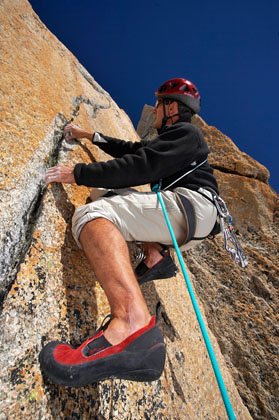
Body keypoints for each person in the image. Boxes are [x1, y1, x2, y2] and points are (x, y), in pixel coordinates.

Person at [39, 78, 219, 387]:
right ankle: (154, 255)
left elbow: (142, 164)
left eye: (159, 104)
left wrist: (77, 173)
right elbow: (133, 149)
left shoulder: (187, 133)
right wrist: (90, 136)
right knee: (102, 191)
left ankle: (130, 324)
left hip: (191, 208)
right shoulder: (176, 138)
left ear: (171, 107)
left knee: (91, 215)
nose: (154, 111)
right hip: (191, 219)